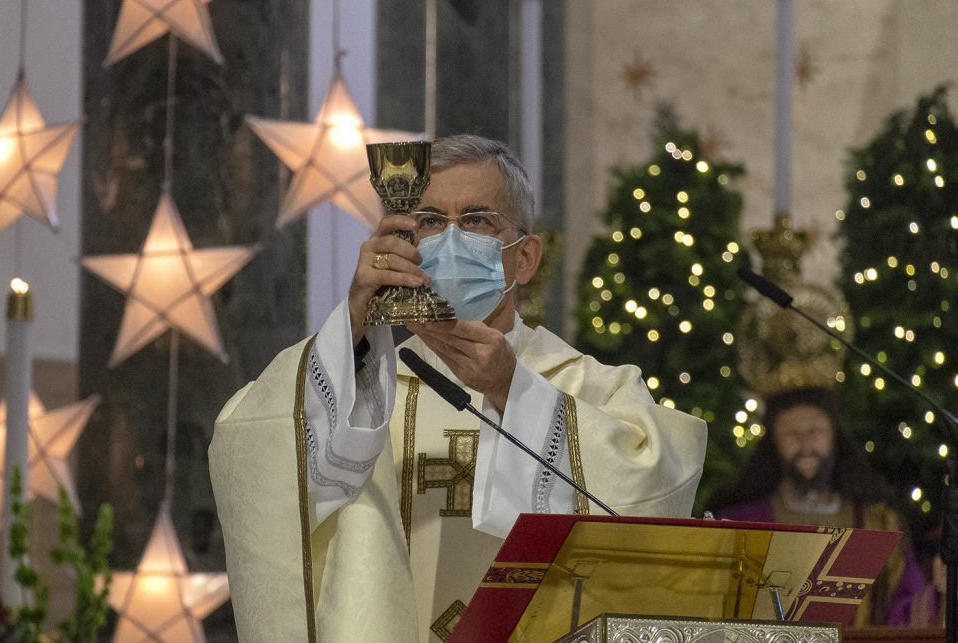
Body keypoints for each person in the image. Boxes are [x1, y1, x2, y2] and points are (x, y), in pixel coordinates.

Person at [209, 134, 708, 642]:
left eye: (475, 220)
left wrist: (513, 391)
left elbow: (650, 500)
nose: (450, 239)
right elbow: (255, 452)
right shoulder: (360, 386)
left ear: (526, 258)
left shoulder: (591, 386)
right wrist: (356, 320)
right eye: (428, 221)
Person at [709, 386, 938, 626]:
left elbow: (903, 610)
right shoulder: (739, 523)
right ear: (773, 441)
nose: (805, 444)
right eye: (790, 433)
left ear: (834, 435)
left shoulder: (880, 523)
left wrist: (942, 593)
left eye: (815, 430)